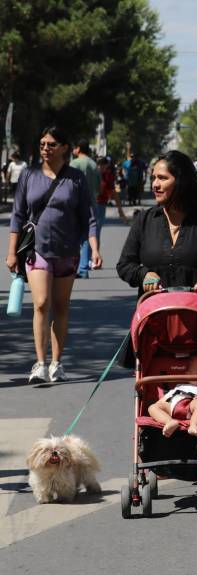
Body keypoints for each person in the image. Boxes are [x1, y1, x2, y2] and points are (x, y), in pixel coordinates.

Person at [116, 150, 197, 367]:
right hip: (153, 329)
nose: (155, 184)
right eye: (153, 178)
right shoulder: (144, 220)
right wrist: (143, 274)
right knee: (153, 388)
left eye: (162, 178)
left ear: (181, 182)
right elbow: (125, 265)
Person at [5, 126, 101, 384]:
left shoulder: (76, 178)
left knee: (60, 306)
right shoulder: (29, 174)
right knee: (41, 303)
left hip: (67, 251)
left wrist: (94, 248)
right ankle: (40, 363)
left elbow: (89, 216)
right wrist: (12, 251)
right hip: (36, 249)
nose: (46, 148)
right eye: (42, 144)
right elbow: (18, 214)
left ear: (64, 148)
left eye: (51, 144)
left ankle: (57, 363)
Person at [147, 355, 197, 440]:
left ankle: (194, 425)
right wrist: (160, 404)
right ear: (188, 375)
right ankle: (169, 421)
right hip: (172, 407)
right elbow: (166, 398)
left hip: (191, 407)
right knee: (153, 407)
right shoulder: (180, 386)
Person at [69, 140, 101, 279]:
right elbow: (99, 187)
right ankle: (83, 268)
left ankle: (73, 266)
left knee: (73, 235)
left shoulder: (74, 164)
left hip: (75, 204)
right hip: (91, 203)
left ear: (78, 149)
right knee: (88, 235)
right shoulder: (94, 165)